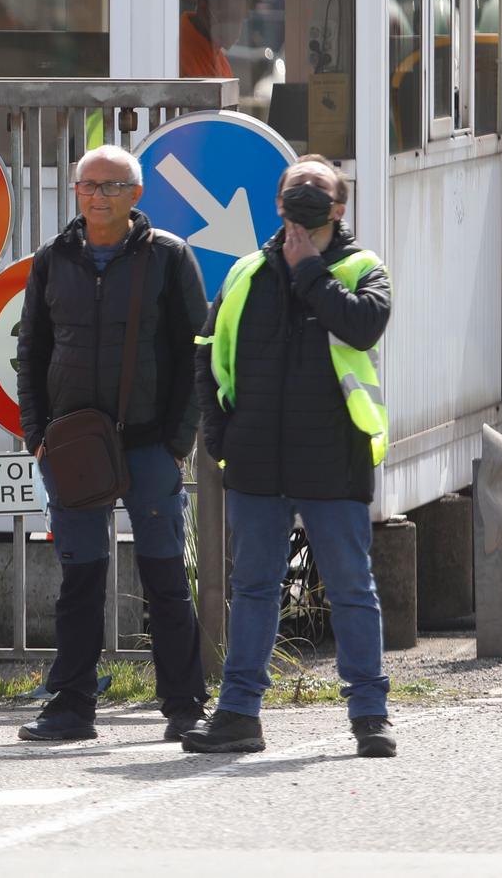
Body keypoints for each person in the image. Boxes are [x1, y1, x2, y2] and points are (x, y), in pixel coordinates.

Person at [182, 156, 396, 759]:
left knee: (352, 588)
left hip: (334, 458)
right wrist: (220, 437)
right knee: (253, 588)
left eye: (317, 190)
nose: (303, 197)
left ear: (339, 207)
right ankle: (238, 714)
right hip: (256, 461)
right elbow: (206, 348)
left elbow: (363, 327)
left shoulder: (361, 270)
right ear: (277, 203)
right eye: (293, 189)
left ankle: (370, 715)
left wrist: (308, 273)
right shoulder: (246, 273)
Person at [15, 144, 209, 743]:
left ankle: (183, 707)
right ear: (75, 192)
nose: (97, 195)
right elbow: (33, 353)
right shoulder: (53, 260)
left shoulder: (169, 258)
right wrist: (38, 437)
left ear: (136, 196)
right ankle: (72, 706)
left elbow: (192, 355)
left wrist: (178, 442)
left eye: (110, 186)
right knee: (80, 580)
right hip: (73, 449)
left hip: (151, 446)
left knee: (164, 578)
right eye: (87, 185)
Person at [179, 0, 252, 78]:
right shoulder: (177, 52)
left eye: (240, 18)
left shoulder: (221, 62)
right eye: (230, 16)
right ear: (204, 7)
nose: (235, 25)